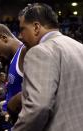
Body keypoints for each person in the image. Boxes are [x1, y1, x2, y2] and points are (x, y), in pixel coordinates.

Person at [13, 3, 83, 131]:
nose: (20, 36)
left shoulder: (39, 52)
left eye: (22, 29)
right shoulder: (79, 47)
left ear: (36, 27)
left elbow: (38, 107)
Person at [0, 23, 27, 122]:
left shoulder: (26, 51)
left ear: (3, 38)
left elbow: (36, 91)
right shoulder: (13, 59)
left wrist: (11, 104)